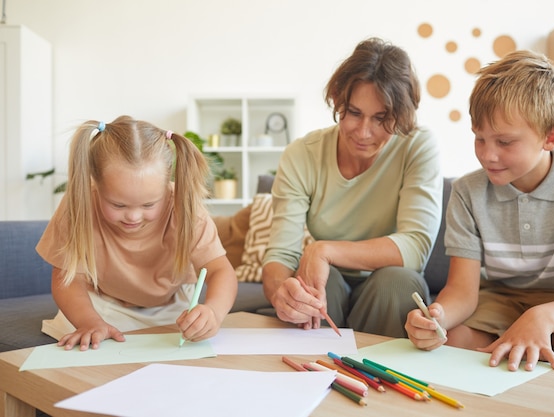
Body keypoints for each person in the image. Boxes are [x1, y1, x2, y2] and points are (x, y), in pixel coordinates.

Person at [405, 50, 554, 375]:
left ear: (550, 137)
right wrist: (436, 316)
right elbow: (463, 292)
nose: (488, 155)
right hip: (499, 300)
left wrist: (541, 317)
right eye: (480, 139)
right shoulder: (467, 192)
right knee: (447, 342)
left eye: (505, 142)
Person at [261, 37, 443, 338]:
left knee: (396, 282)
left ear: (401, 115)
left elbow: (415, 247)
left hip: (390, 286)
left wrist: (324, 250)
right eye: (354, 112)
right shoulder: (301, 155)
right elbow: (280, 256)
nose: (363, 132)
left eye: (381, 119)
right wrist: (282, 292)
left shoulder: (418, 146)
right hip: (327, 281)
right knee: (316, 283)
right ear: (336, 98)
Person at [37, 116, 238, 351]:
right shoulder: (78, 205)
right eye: (118, 205)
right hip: (99, 307)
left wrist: (213, 311)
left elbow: (220, 270)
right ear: (96, 185)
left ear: (166, 188)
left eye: (149, 205)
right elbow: (67, 279)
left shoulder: (187, 208)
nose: (133, 217)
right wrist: (89, 322)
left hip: (172, 309)